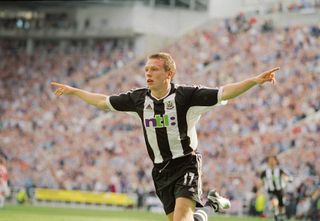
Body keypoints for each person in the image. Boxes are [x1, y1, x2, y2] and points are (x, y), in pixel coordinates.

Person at [51, 52, 279, 221]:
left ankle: (209, 205)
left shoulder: (187, 96)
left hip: (186, 163)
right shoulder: (138, 100)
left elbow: (224, 92)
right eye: (146, 70)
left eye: (154, 69)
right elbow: (103, 101)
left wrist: (253, 81)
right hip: (160, 170)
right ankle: (210, 205)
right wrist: (75, 92)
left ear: (168, 73)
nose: (148, 73)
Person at [260, 155, 293, 221]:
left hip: (280, 190)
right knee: (274, 201)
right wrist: (260, 189)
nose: (271, 162)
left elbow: (288, 178)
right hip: (270, 191)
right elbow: (261, 181)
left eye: (273, 160)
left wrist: (287, 179)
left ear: (276, 161)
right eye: (270, 160)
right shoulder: (265, 172)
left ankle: (280, 215)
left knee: (281, 205)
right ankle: (276, 213)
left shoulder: (280, 170)